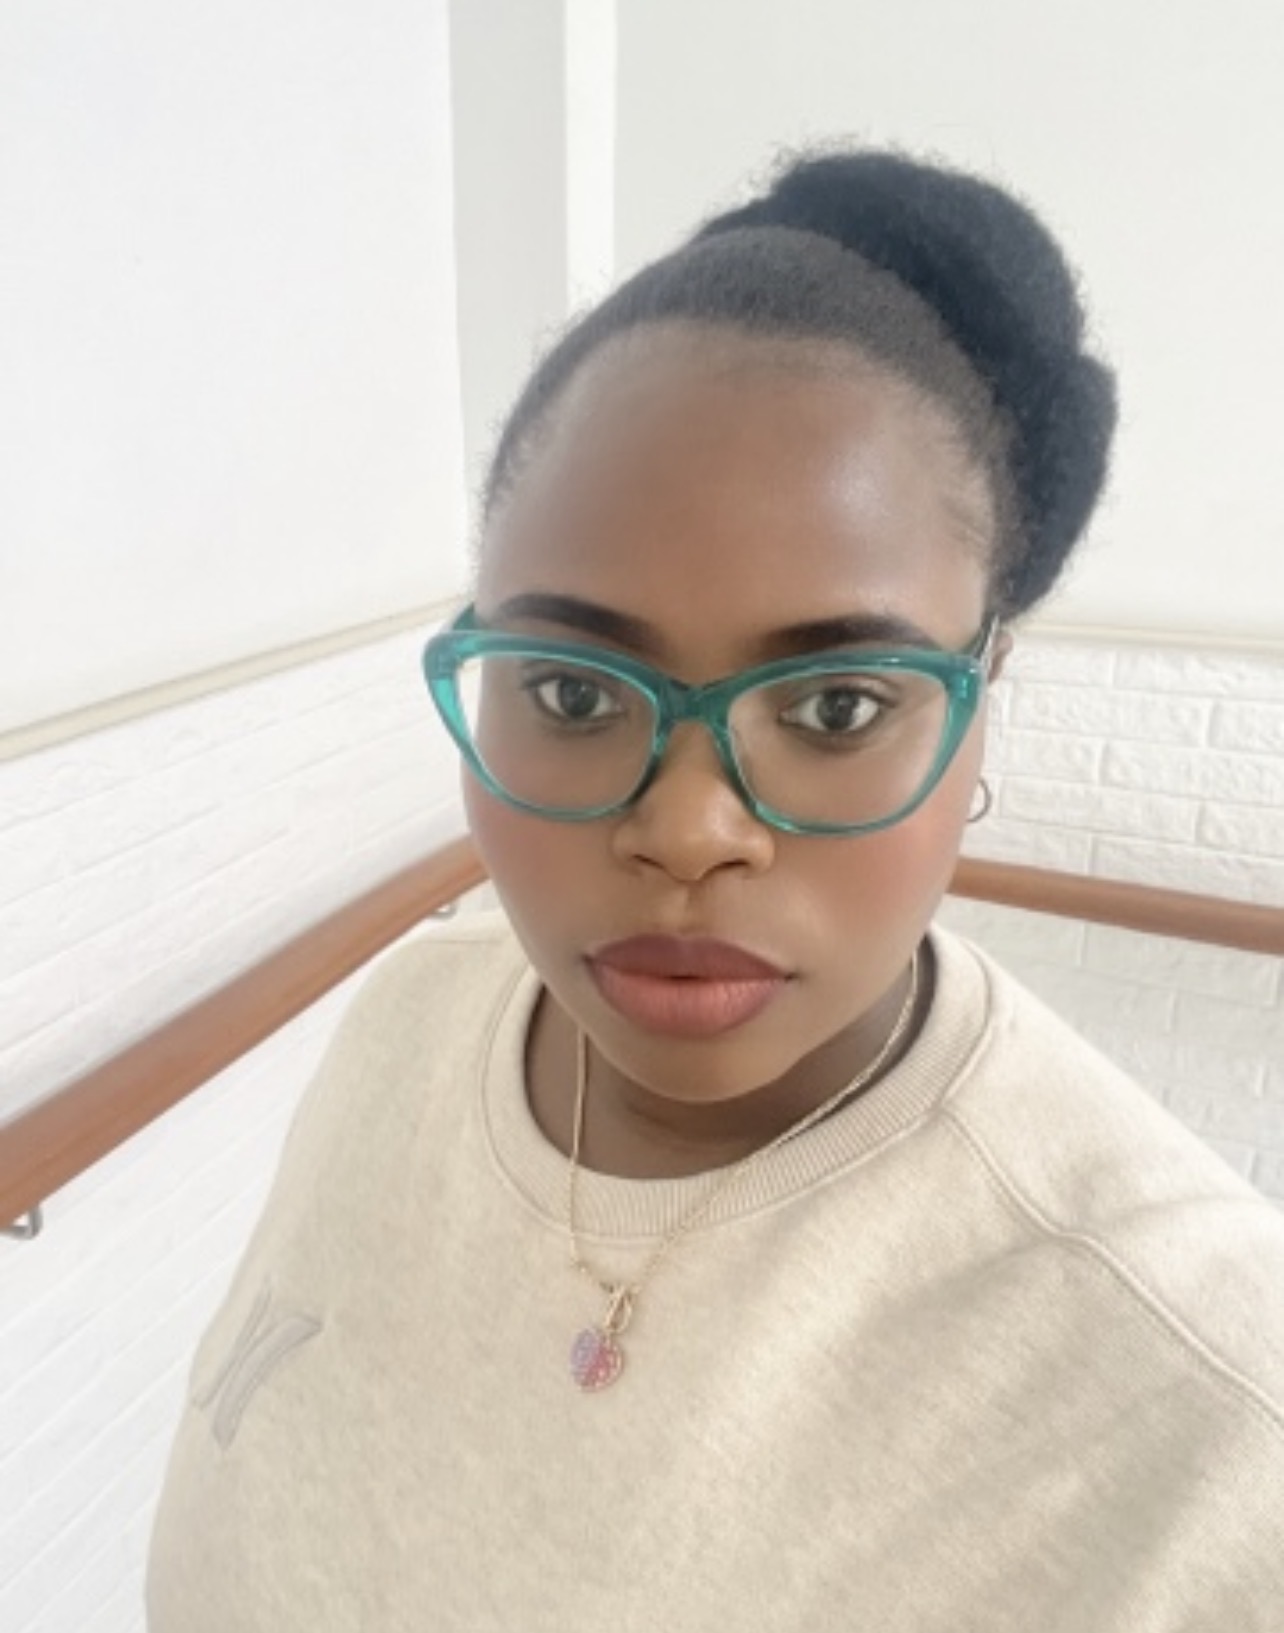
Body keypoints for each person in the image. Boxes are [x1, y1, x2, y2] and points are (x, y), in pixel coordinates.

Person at [148, 151, 1284, 1631]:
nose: (688, 832)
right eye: (572, 689)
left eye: (834, 707)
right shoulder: (409, 1021)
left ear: (982, 697)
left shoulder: (1212, 1422)